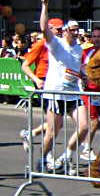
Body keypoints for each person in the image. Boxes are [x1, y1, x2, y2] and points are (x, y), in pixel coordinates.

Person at [37, 0, 88, 175]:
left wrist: (83, 75)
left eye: (77, 30)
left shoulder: (79, 48)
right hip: (56, 94)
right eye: (72, 30)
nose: (75, 33)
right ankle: (43, 157)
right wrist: (45, 5)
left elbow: (75, 68)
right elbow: (44, 28)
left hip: (73, 93)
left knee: (84, 127)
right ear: (65, 31)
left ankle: (66, 156)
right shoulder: (55, 43)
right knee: (52, 132)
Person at [20, 17, 64, 153]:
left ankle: (31, 134)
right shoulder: (41, 44)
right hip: (44, 82)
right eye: (58, 29)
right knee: (54, 123)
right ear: (50, 29)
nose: (61, 32)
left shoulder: (61, 44)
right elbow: (25, 65)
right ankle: (46, 156)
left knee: (58, 123)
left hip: (57, 83)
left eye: (62, 29)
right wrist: (36, 79)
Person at [79, 27, 100, 161]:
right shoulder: (86, 52)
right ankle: (86, 148)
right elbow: (79, 69)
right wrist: (83, 78)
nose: (96, 39)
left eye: (99, 36)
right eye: (94, 36)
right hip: (90, 92)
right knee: (94, 121)